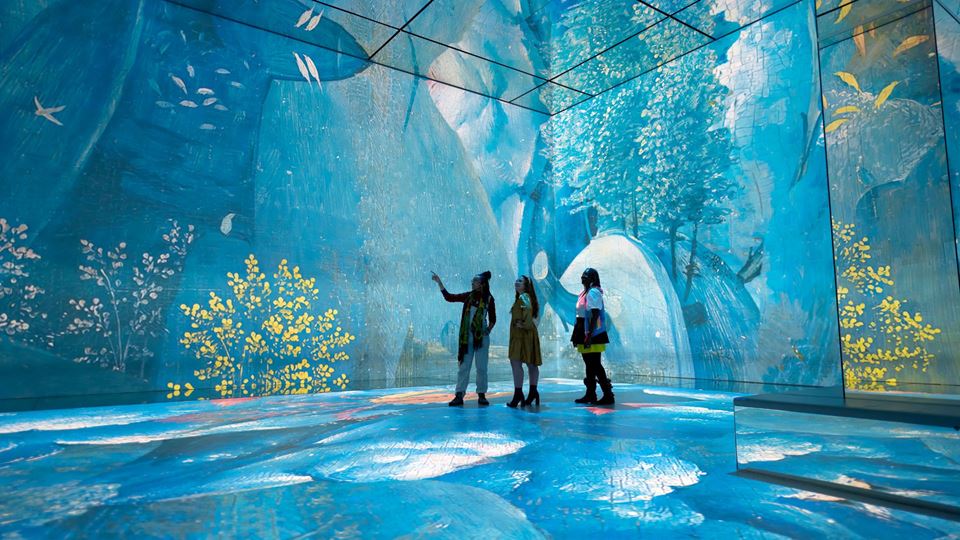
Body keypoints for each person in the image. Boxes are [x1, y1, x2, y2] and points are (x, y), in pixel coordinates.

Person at [431, 270, 496, 406]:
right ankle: (459, 394)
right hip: (467, 337)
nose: (472, 282)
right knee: (464, 367)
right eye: (472, 280)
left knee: (481, 367)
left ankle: (482, 394)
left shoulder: (489, 299)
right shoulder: (468, 296)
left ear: (482, 284)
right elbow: (449, 297)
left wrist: (487, 330)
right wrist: (439, 283)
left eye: (475, 281)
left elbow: (493, 319)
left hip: (481, 338)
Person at [571, 268, 614, 405]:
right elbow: (580, 314)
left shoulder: (594, 292)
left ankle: (608, 394)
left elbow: (595, 314)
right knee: (589, 364)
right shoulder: (584, 292)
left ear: (593, 279)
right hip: (583, 330)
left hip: (592, 332)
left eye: (586, 276)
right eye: (583, 275)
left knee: (595, 364)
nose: (583, 278)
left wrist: (589, 334)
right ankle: (590, 393)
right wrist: (576, 334)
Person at [507, 275, 542, 408]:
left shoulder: (524, 297)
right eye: (517, 280)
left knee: (516, 362)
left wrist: (525, 325)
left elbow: (527, 310)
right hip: (525, 334)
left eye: (520, 281)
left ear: (526, 286)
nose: (517, 282)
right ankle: (532, 392)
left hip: (522, 335)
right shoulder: (523, 297)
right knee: (530, 363)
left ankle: (519, 393)